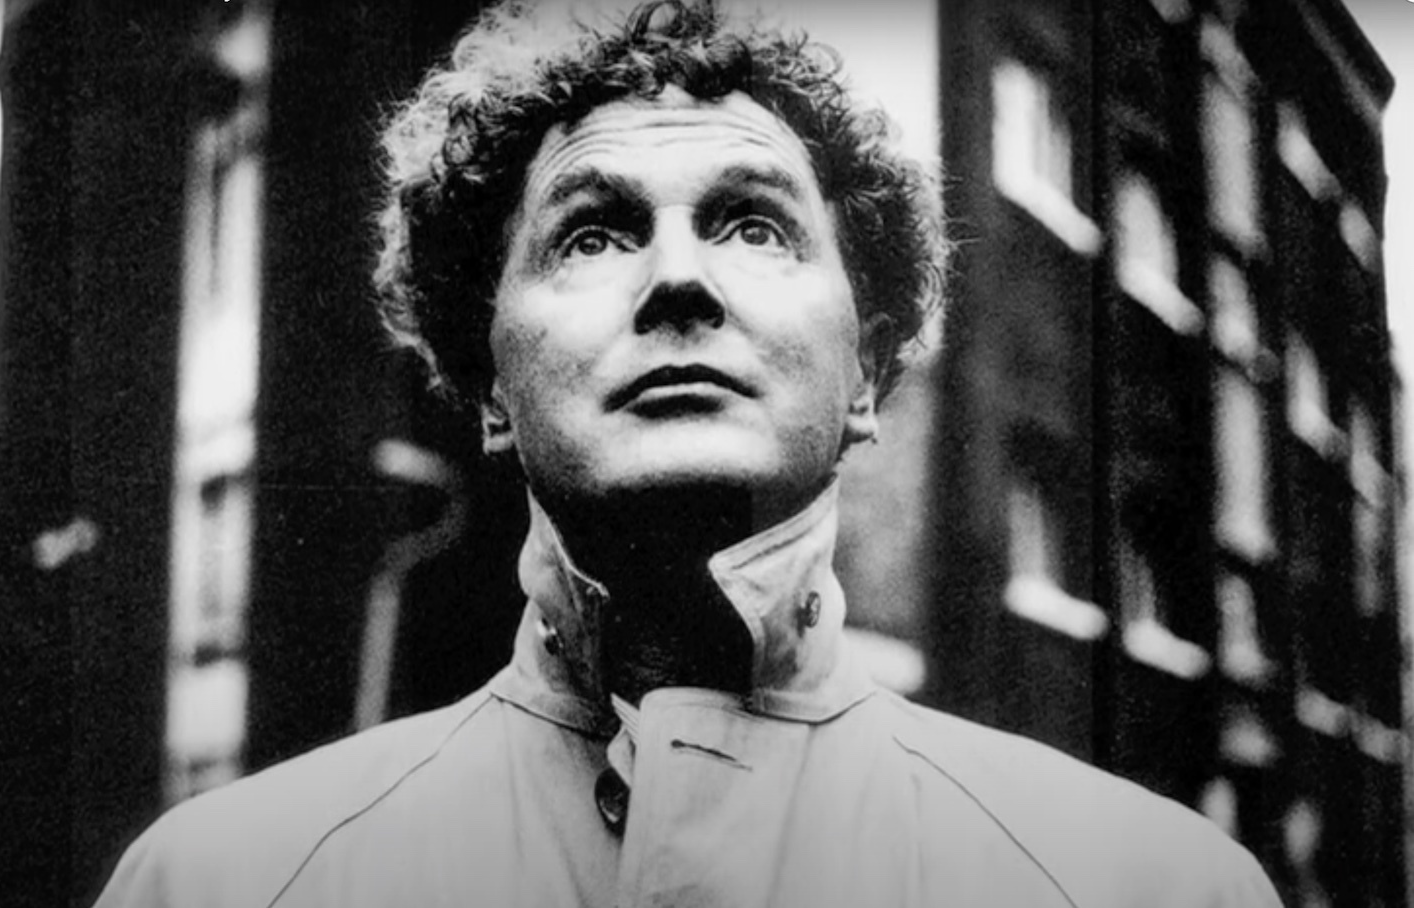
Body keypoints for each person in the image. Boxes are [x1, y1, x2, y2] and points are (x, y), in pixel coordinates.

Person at [94, 1, 1283, 905]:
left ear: (867, 371)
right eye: (592, 233)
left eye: (754, 224)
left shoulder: (1154, 886)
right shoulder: (222, 884)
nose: (678, 278)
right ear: (488, 384)